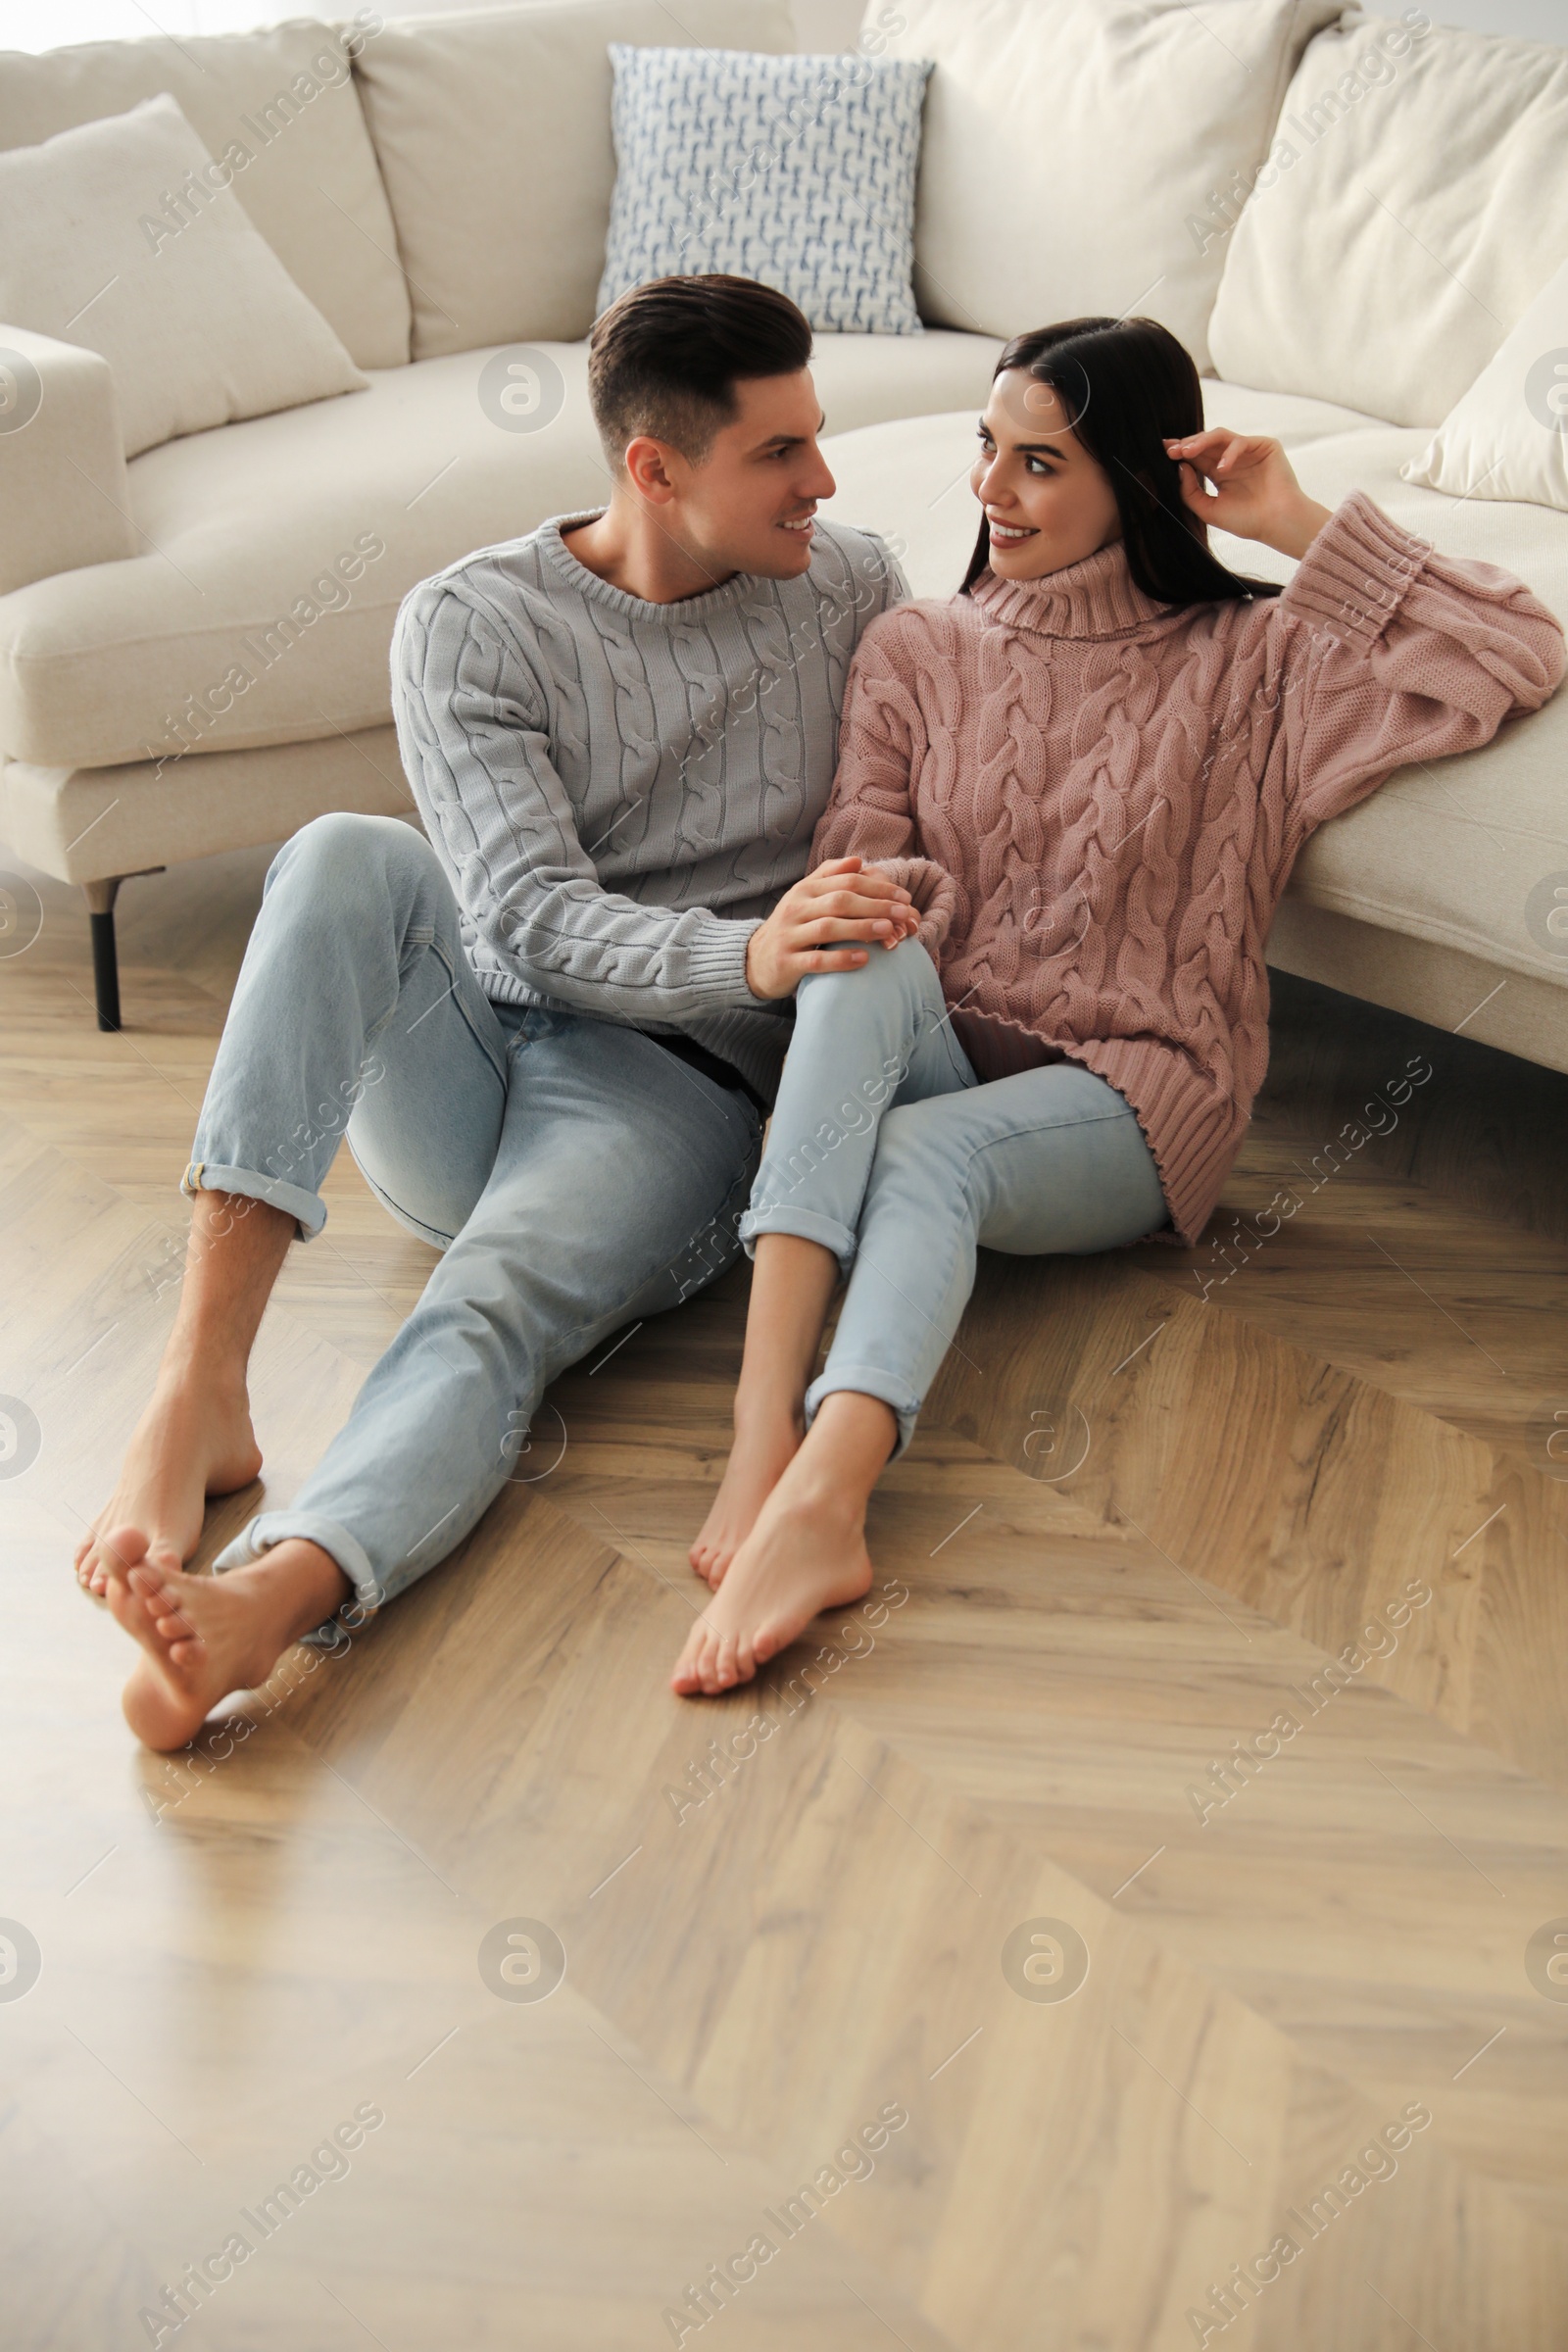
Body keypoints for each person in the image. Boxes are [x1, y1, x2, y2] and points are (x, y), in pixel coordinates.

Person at [74, 273, 918, 1750]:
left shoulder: (851, 589)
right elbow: (522, 918)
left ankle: (276, 1602)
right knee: (344, 850)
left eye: (818, 438)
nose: (824, 481)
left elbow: (926, 811)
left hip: (673, 1096)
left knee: (493, 1305)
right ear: (654, 471)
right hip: (474, 1051)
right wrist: (749, 958)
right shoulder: (473, 623)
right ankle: (199, 1387)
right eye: (778, 453)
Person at [672, 314, 1566, 1698]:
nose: (989, 490)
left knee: (924, 1153)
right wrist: (918, 905)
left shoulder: (1258, 661)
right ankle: (756, 1433)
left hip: (1136, 1088)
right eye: (987, 448)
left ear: (1134, 485)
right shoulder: (917, 647)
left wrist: (1298, 517)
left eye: (1039, 465)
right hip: (943, 1043)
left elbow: (1512, 650)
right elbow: (858, 850)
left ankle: (828, 1500)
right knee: (849, 941)